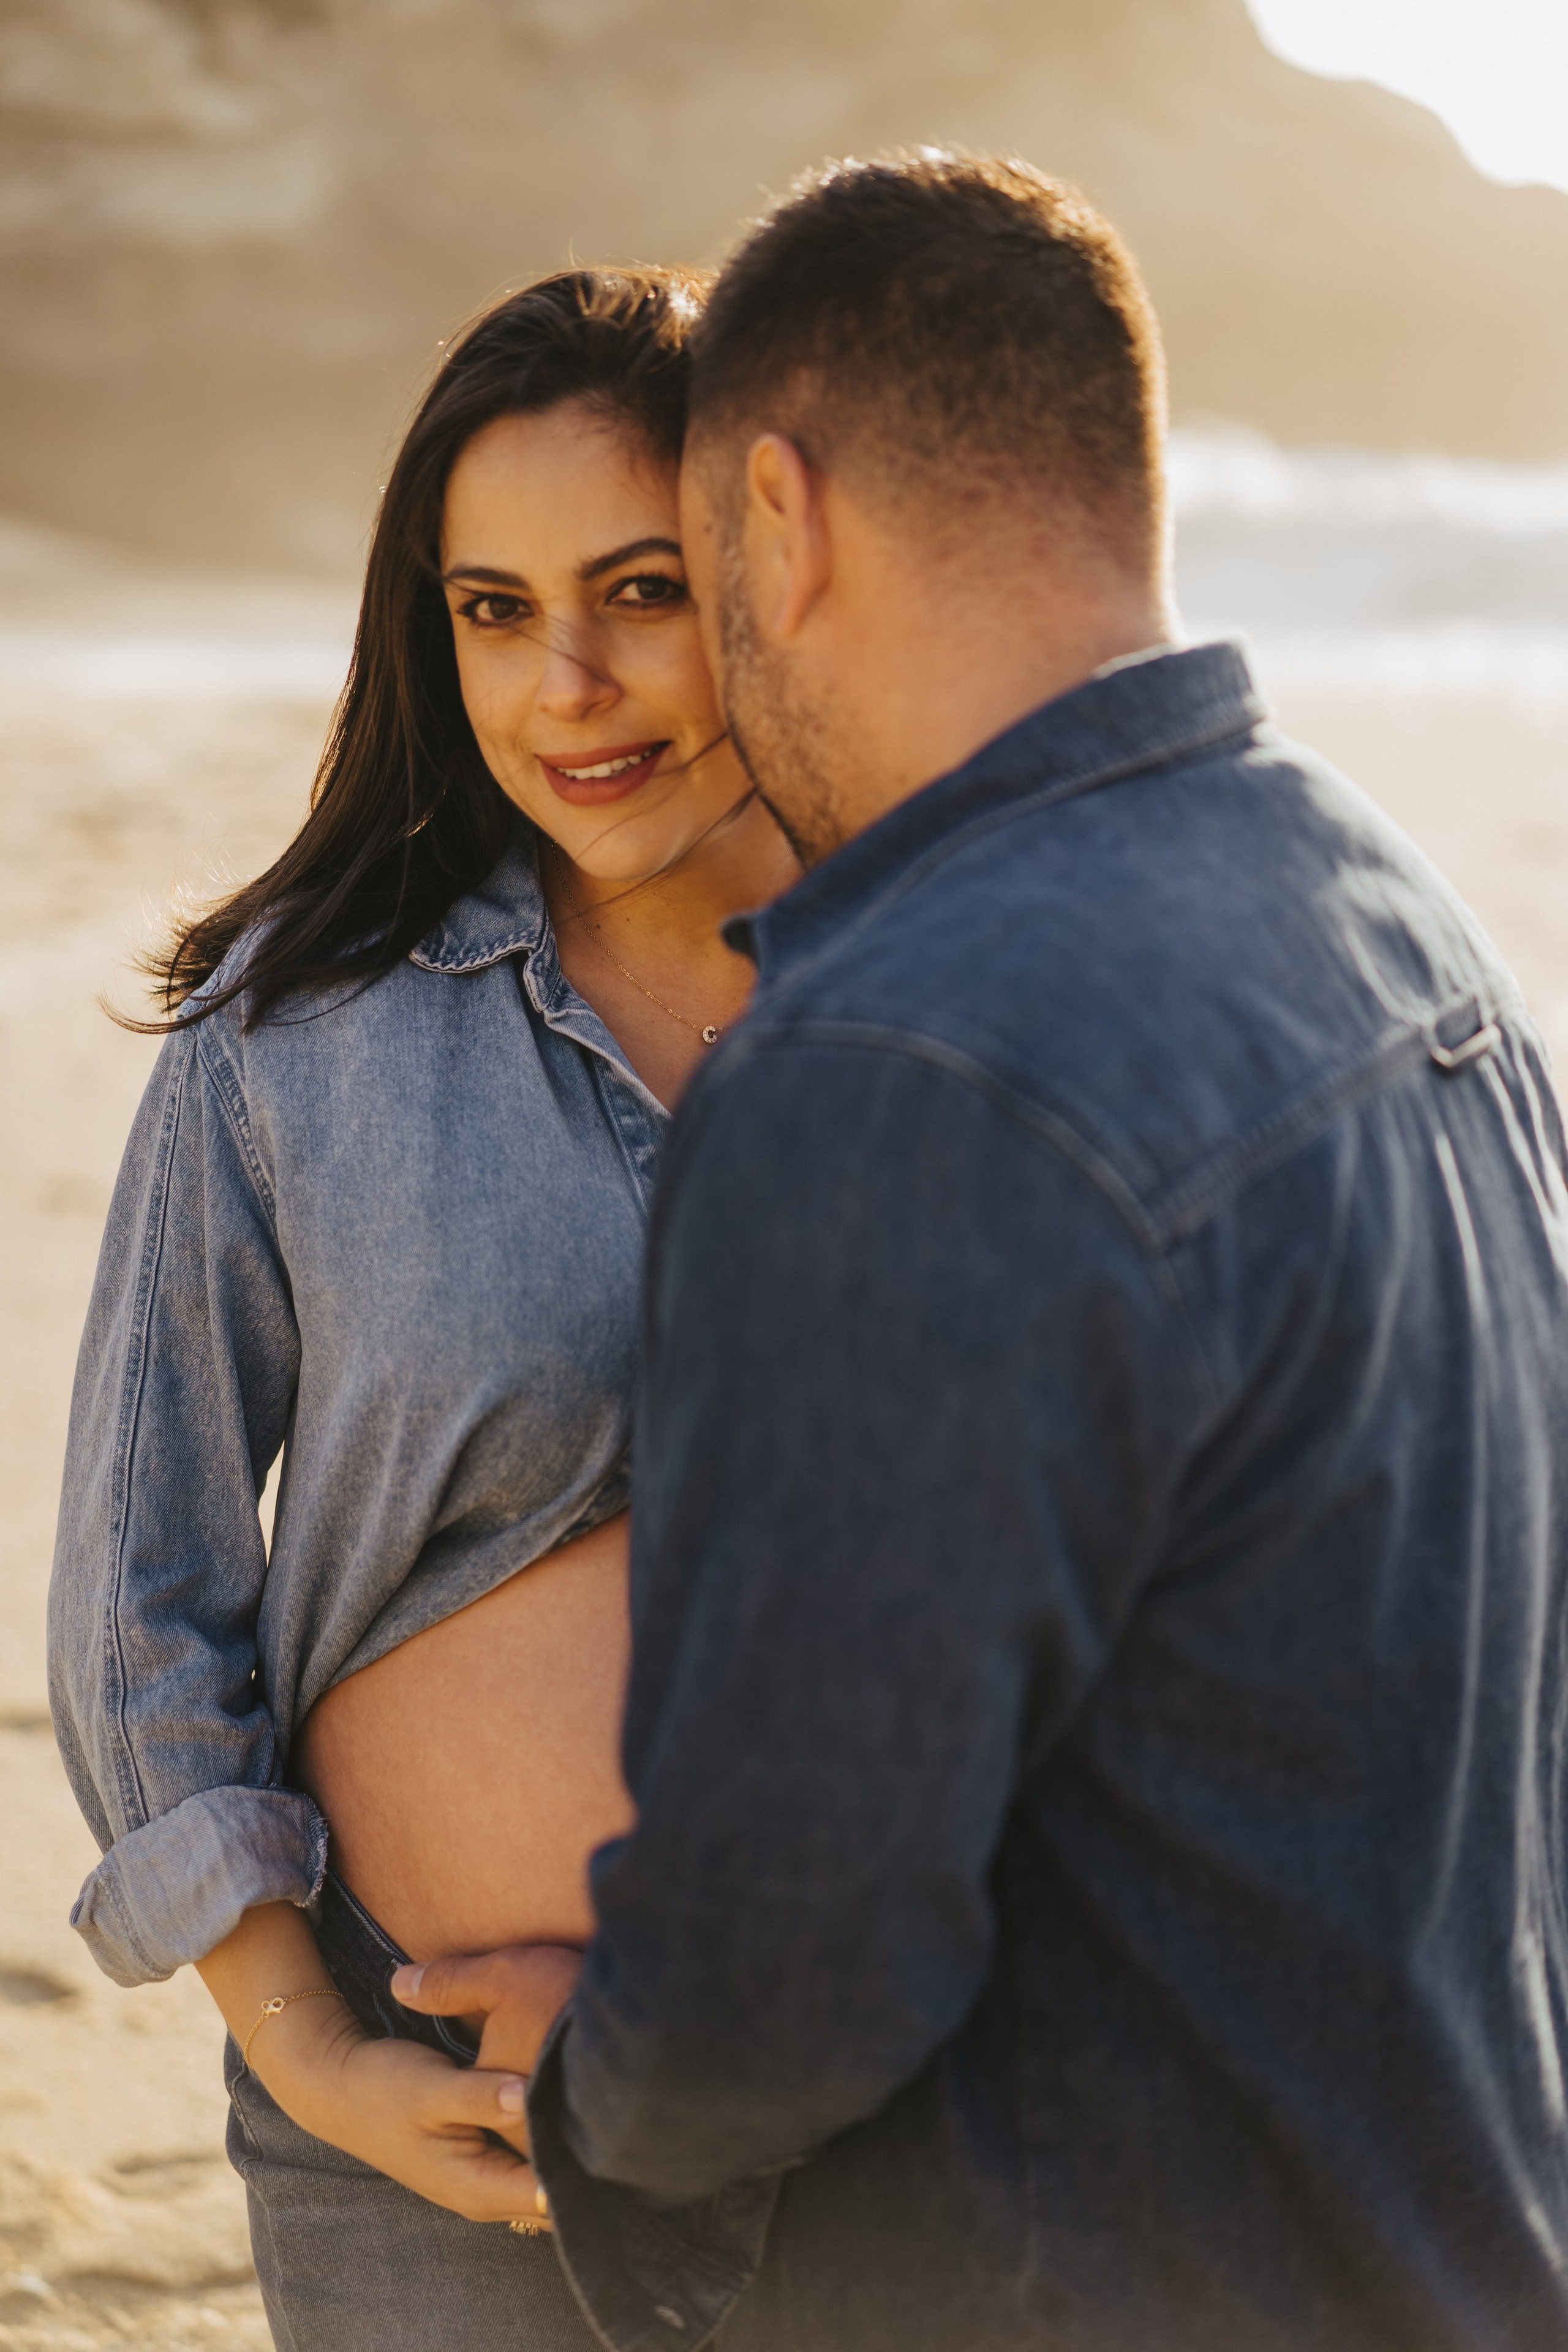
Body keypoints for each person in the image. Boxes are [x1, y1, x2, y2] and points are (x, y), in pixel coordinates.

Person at [402, 154, 1568, 2350]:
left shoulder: (896, 1070)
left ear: (779, 515)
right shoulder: (1407, 921)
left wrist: (610, 2091)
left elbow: (789, 1968)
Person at [47, 265, 796, 2352]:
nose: (569, 681)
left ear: (774, 562)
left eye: (640, 590)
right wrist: (304, 2046)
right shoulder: (300, 1029)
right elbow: (144, 1578)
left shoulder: (950, 984)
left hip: (892, 2106)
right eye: (491, 609)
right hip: (424, 2117)